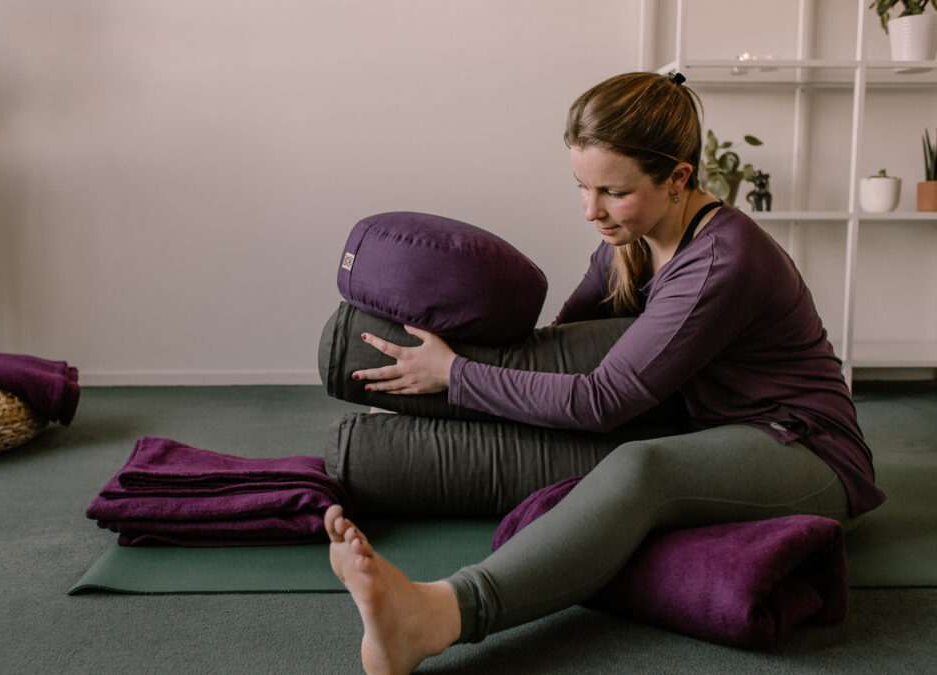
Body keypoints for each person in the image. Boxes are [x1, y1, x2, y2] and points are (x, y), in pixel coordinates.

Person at [324, 71, 885, 675]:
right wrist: (433, 400)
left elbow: (601, 399)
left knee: (642, 468)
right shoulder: (630, 238)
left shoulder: (721, 261)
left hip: (804, 447)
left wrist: (456, 376)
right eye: (581, 186)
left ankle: (436, 616)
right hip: (700, 420)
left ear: (678, 179)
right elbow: (564, 346)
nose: (591, 210)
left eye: (613, 191)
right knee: (592, 438)